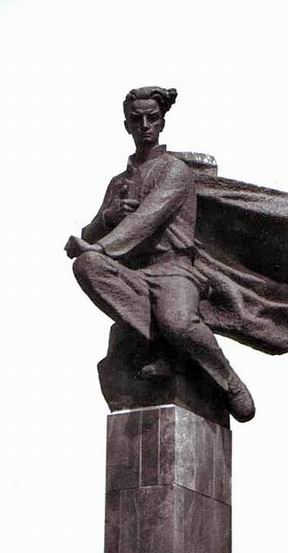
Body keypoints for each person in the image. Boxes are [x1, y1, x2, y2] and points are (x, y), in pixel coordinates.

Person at [65, 86, 255, 422]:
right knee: (87, 264)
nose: (145, 125)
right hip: (134, 274)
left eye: (152, 118)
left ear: (162, 122)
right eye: (136, 119)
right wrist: (108, 218)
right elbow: (89, 234)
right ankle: (160, 344)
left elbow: (147, 218)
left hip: (174, 270)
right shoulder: (118, 182)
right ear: (126, 125)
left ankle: (228, 380)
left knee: (177, 322)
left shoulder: (174, 171)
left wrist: (103, 245)